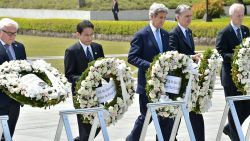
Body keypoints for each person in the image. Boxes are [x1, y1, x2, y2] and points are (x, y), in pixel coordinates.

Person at [126, 3, 174, 141]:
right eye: (160, 17)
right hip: (147, 84)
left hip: (164, 83)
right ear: (152, 16)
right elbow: (132, 57)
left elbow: (169, 55)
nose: (163, 20)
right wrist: (152, 65)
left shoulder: (166, 34)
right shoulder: (141, 35)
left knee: (165, 116)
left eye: (164, 17)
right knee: (147, 116)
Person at [64, 20, 104, 141]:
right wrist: (86, 79)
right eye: (86, 35)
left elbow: (103, 68)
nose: (89, 37)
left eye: (92, 34)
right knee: (85, 126)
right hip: (81, 94)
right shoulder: (71, 51)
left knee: (99, 123)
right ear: (78, 34)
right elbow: (69, 75)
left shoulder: (98, 47)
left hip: (99, 92)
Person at [169, 4, 204, 141]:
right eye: (186, 16)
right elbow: (173, 56)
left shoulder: (189, 32)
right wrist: (191, 57)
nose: (190, 19)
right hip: (179, 81)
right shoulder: (173, 34)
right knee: (177, 114)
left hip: (191, 80)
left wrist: (196, 56)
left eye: (191, 16)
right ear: (178, 17)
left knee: (195, 112)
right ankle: (169, 138)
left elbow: (189, 52)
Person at [216, 3, 250, 141]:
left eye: (243, 15)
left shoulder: (246, 30)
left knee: (247, 106)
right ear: (231, 15)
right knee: (234, 108)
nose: (241, 17)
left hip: (244, 77)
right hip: (230, 77)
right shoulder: (224, 32)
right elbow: (220, 52)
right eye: (238, 15)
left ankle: (230, 128)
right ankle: (235, 136)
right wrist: (238, 56)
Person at [0, 18, 26, 141]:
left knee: (9, 133)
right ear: (1, 32)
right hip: (1, 97)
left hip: (15, 99)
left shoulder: (19, 47)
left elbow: (25, 70)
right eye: (9, 33)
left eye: (15, 33)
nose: (12, 36)